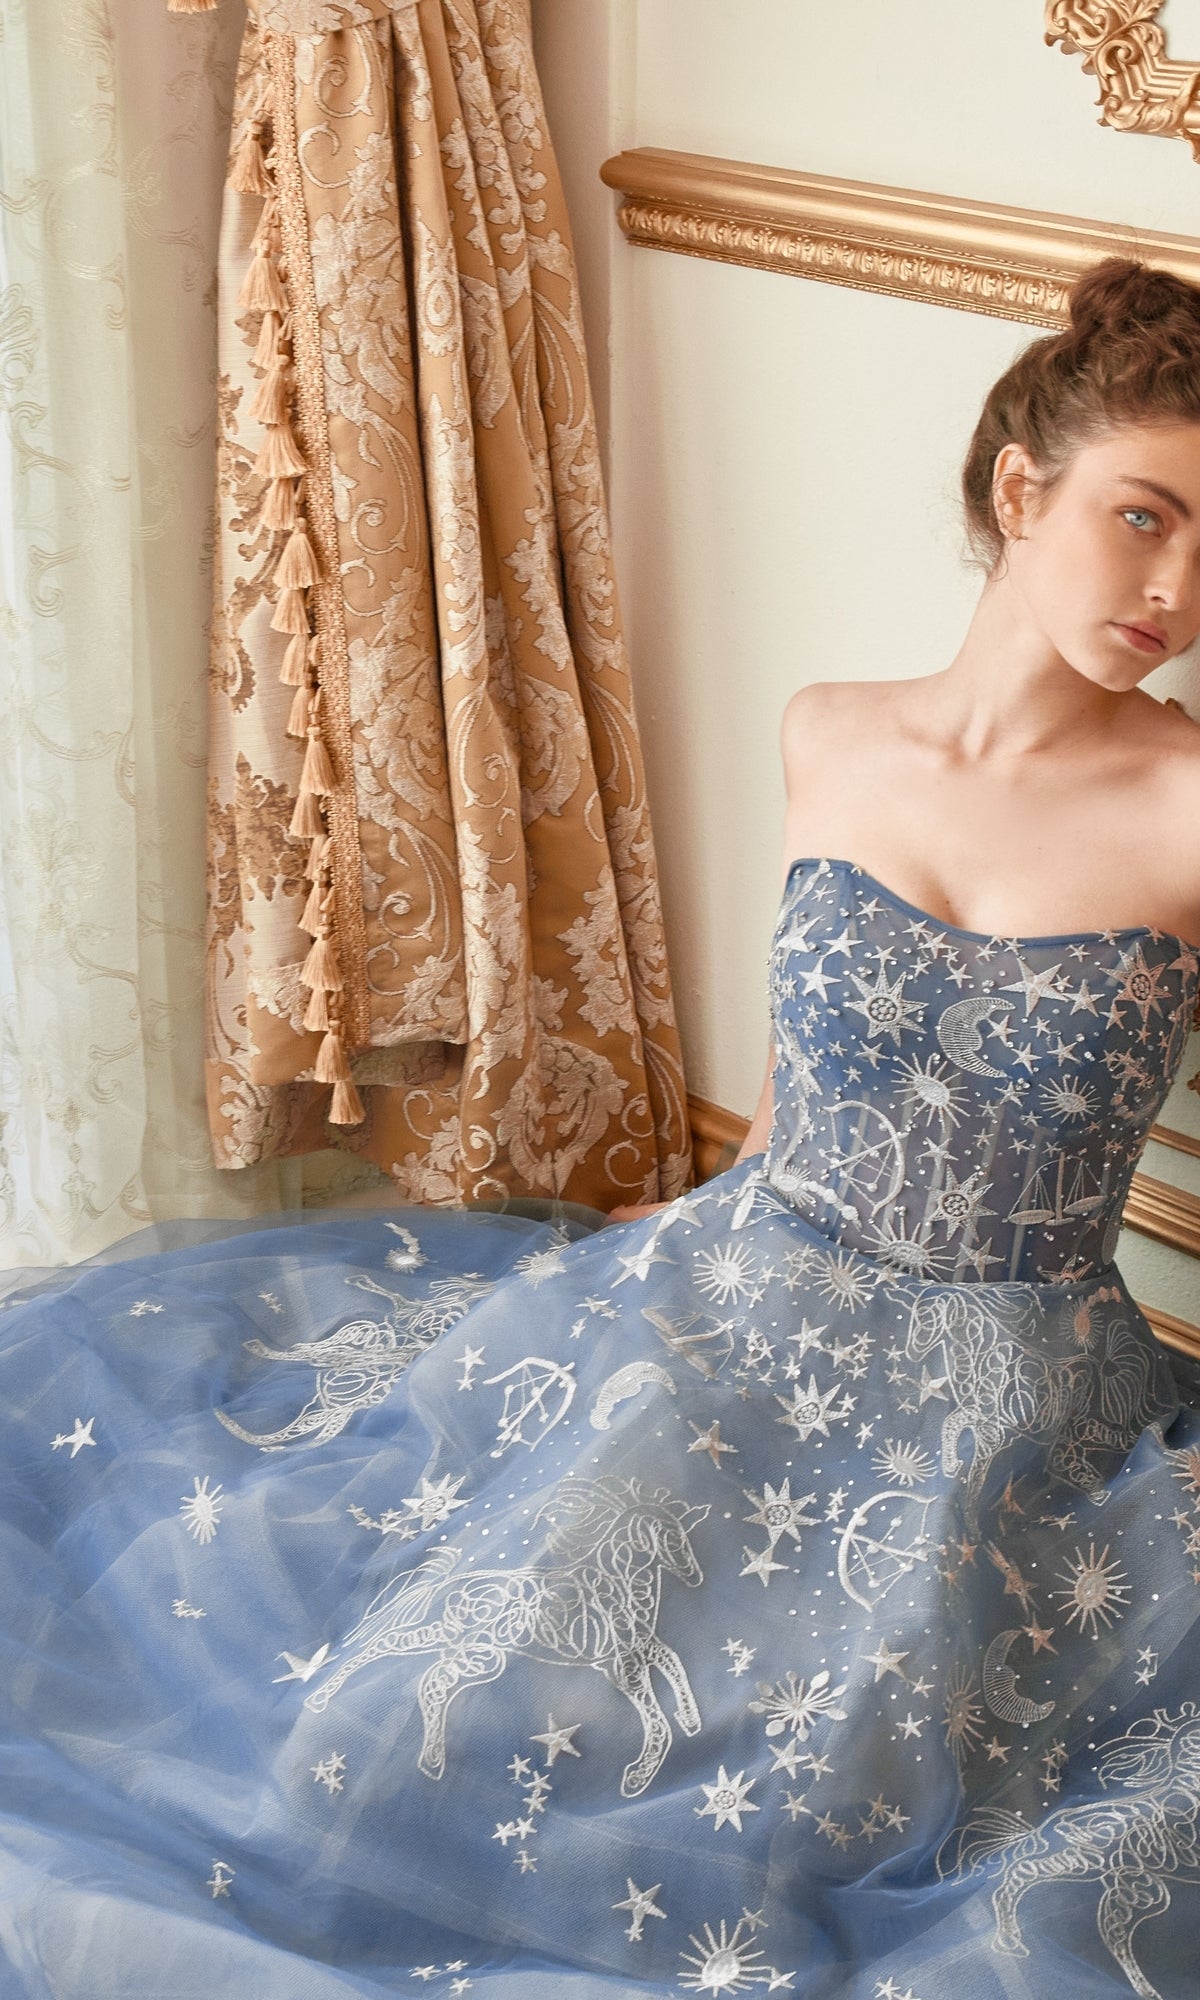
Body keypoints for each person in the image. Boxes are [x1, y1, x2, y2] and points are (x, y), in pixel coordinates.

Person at [3, 254, 1200, 2000]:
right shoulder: (830, 735)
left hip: (1010, 1387)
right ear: (1022, 490)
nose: (1175, 587)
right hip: (746, 1284)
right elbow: (805, 1091)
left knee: (824, 1780)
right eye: (1142, 517)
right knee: (428, 1686)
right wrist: (670, 1256)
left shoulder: (1186, 806)